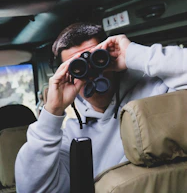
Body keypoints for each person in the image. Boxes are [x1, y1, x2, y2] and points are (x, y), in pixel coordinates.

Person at [15, 22, 187, 193]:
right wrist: (51, 113)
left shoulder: (159, 94)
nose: (89, 74)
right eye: (77, 68)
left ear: (109, 58)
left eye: (96, 59)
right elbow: (33, 190)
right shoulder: (73, 139)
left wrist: (134, 54)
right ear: (68, 75)